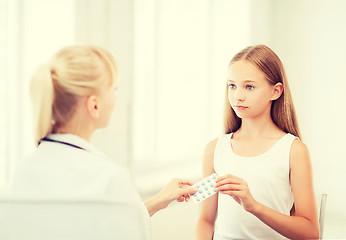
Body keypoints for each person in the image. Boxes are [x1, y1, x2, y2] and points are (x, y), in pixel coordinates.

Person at [10, 45, 196, 222]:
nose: (115, 98)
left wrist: (157, 201)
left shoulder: (23, 170)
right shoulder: (109, 177)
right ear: (95, 105)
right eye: (113, 89)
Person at [195, 45, 319, 239]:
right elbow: (205, 221)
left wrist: (254, 207)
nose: (238, 96)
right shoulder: (214, 150)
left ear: (275, 91)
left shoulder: (293, 151)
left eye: (249, 86)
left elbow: (310, 232)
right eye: (232, 85)